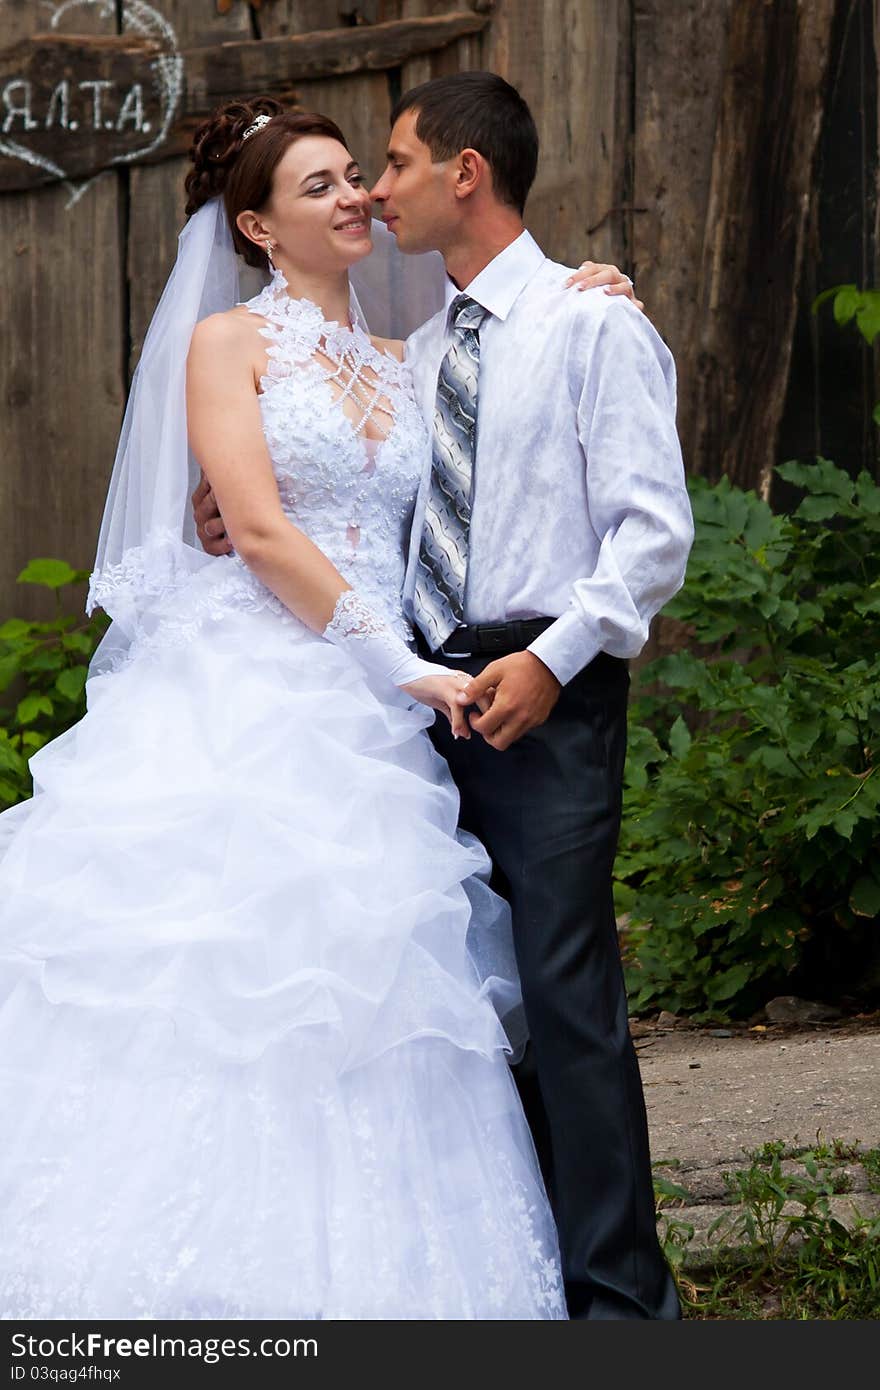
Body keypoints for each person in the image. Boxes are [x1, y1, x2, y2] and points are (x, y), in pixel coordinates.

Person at [0, 97, 633, 1321]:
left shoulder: (421, 353)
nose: (355, 196)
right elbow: (266, 524)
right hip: (260, 692)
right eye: (320, 185)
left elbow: (486, 442)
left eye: (359, 174)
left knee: (383, 990)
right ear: (256, 225)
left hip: (383, 714)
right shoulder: (226, 343)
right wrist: (390, 660)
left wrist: (584, 293)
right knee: (226, 973)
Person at [197, 72, 695, 1321]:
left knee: (567, 993)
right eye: (342, 177)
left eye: (395, 163)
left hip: (543, 677)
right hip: (418, 695)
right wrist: (228, 515)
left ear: (462, 172)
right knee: (474, 995)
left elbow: (650, 535)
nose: (372, 187)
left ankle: (624, 1311)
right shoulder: (413, 356)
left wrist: (553, 659)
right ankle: (504, 1259)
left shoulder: (590, 324)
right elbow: (339, 487)